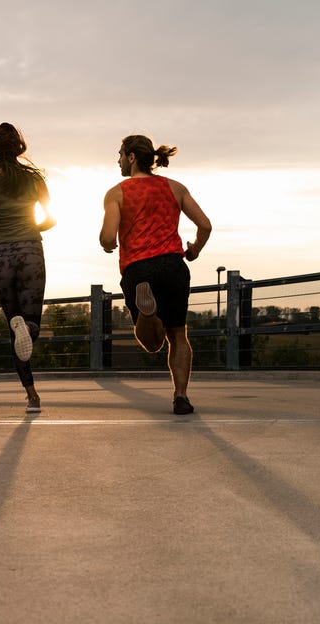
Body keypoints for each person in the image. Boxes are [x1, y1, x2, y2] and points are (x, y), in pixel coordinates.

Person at [99, 134, 212, 415]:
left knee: (151, 344)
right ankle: (181, 396)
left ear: (132, 157)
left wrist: (108, 244)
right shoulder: (175, 188)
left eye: (120, 154)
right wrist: (195, 250)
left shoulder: (117, 193)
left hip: (139, 269)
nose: (118, 160)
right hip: (173, 266)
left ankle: (148, 314)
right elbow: (206, 225)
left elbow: (107, 236)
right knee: (178, 335)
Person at [0, 123, 56, 413]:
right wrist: (32, 226)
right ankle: (30, 328)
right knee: (30, 321)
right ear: (19, 149)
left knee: (14, 324)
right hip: (30, 251)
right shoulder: (35, 180)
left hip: (0, 255)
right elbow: (51, 218)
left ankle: (32, 396)